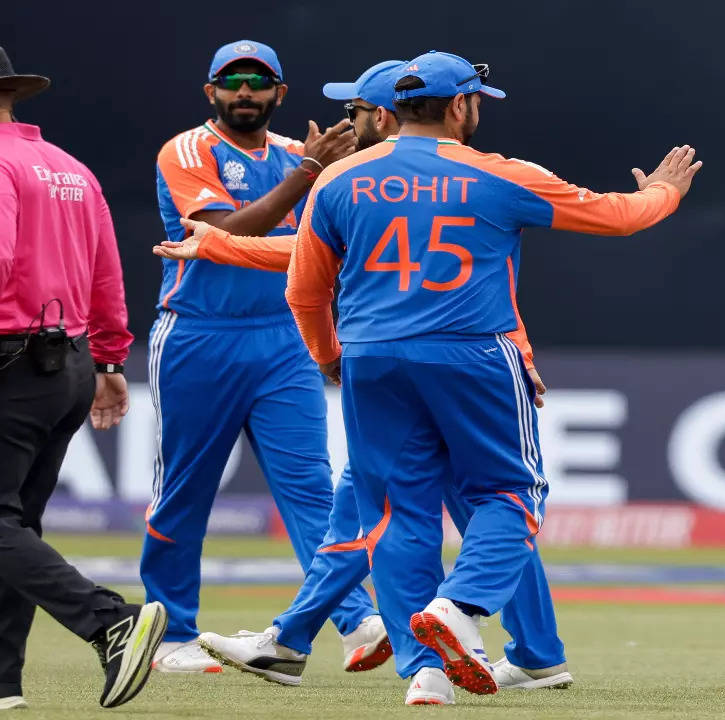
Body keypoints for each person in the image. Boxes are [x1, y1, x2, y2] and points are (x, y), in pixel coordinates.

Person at [285, 50, 700, 704]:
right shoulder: (498, 175)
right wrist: (665, 189)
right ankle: (460, 606)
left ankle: (424, 675)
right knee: (511, 491)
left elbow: (305, 294)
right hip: (472, 354)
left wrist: (330, 358)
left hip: (370, 356)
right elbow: (620, 216)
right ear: (459, 106)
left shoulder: (338, 180)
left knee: (397, 514)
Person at [161, 60, 573, 700]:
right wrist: (517, 352)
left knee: (396, 513)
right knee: (479, 509)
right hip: (466, 367)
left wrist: (222, 247)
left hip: (394, 373)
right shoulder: (448, 177)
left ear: (382, 116)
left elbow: (308, 264)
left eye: (353, 112)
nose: (344, 124)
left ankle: (390, 649)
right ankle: (530, 652)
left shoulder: (356, 183)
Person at [145, 39, 379, 674]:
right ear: (210, 92)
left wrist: (331, 173)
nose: (243, 93)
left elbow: (318, 244)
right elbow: (227, 233)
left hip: (283, 338)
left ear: (279, 92)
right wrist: (309, 173)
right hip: (199, 335)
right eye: (232, 82)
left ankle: (356, 620)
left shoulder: (295, 158)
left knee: (310, 487)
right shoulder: (188, 149)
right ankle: (172, 636)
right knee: (185, 490)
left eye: (258, 82)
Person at [0, 45, 167, 710]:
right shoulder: (67, 166)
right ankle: (2, 683)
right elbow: (106, 274)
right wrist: (107, 361)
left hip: (12, 359)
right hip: (66, 363)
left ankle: (110, 622)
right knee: (14, 528)